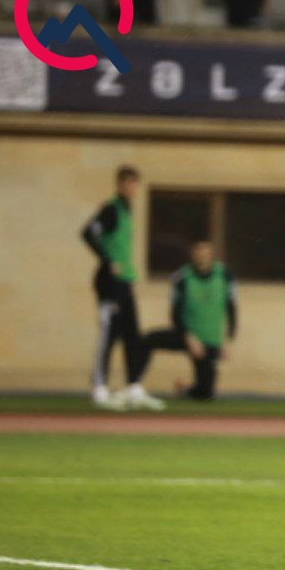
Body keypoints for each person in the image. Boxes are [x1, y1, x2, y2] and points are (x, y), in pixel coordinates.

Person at [81, 165, 165, 412]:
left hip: (125, 282)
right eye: (127, 183)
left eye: (134, 183)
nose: (131, 188)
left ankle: (133, 387)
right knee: (109, 333)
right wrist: (108, 260)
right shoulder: (111, 209)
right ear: (118, 184)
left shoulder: (128, 210)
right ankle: (99, 388)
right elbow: (88, 233)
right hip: (110, 282)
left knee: (132, 335)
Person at [137, 242, 237, 401]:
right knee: (146, 340)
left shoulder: (225, 274)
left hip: (209, 340)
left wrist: (228, 340)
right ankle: (133, 385)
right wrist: (189, 337)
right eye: (199, 255)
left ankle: (185, 390)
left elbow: (231, 308)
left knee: (206, 393)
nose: (202, 259)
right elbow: (175, 314)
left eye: (206, 255)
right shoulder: (182, 277)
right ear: (193, 256)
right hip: (185, 334)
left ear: (212, 257)